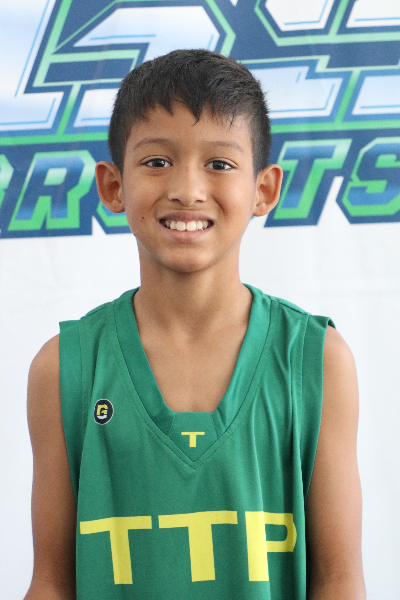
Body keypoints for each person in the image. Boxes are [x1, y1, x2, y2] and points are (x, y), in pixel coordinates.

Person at [24, 49, 365, 600]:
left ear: (263, 189)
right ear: (113, 185)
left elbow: (339, 579)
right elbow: (51, 581)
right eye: (157, 161)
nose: (187, 189)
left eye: (220, 164)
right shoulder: (64, 369)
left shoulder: (316, 360)